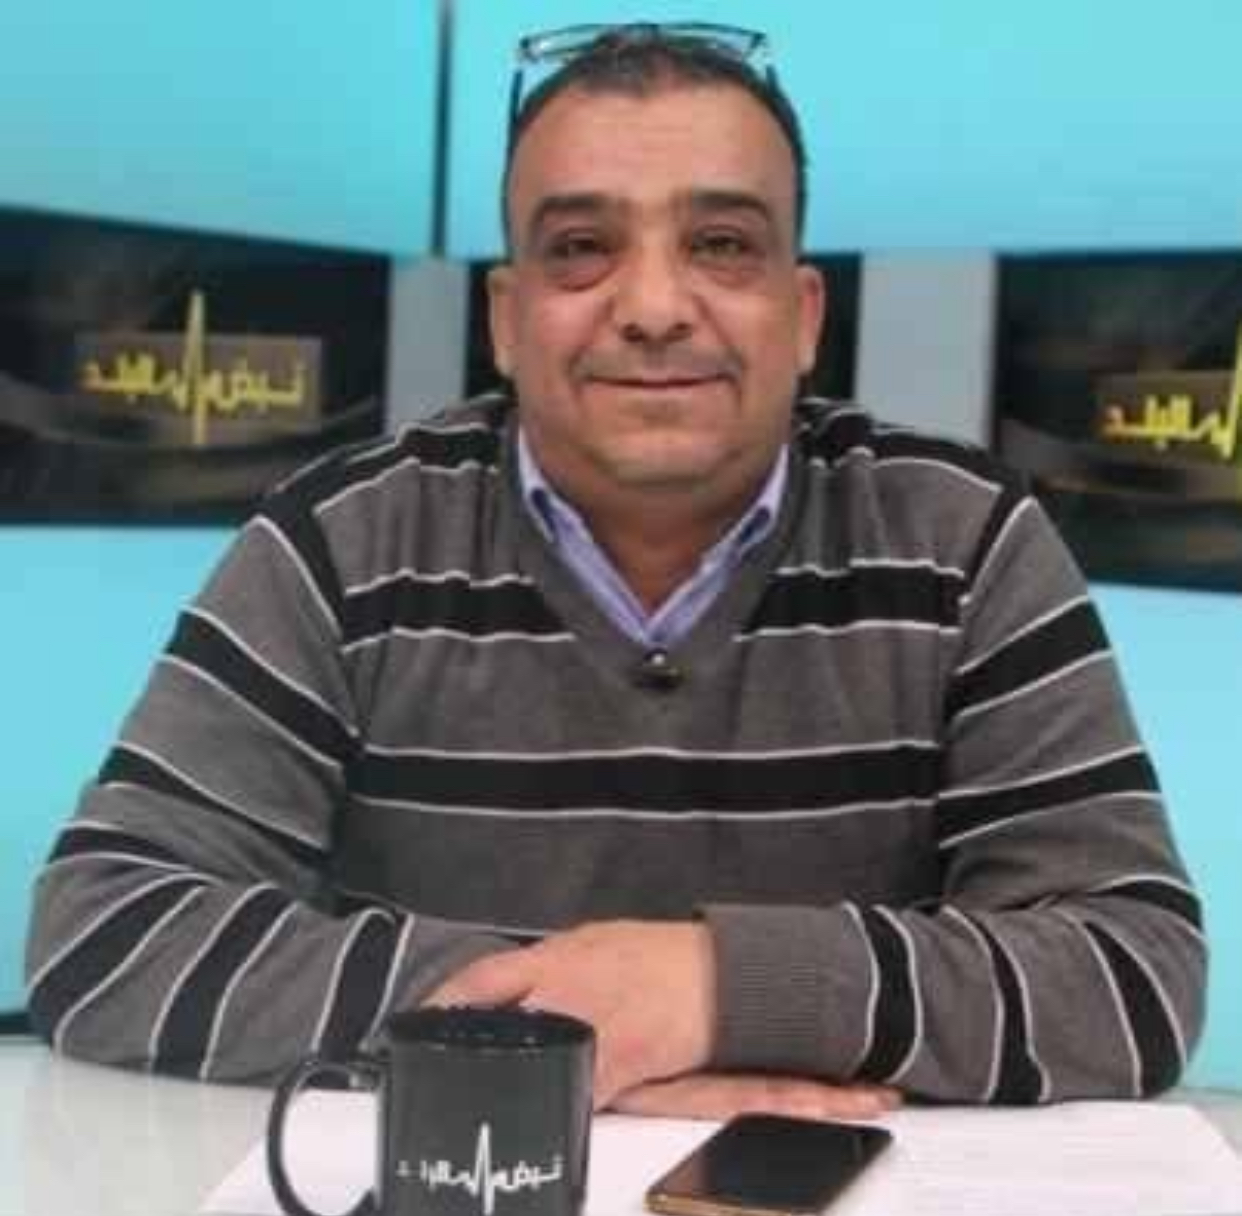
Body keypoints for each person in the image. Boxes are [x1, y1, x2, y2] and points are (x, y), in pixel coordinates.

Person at [25, 24, 1205, 1119]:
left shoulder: (966, 541)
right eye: (583, 249)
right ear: (506, 316)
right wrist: (566, 1029)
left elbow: (1134, 971)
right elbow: (107, 930)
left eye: (721, 245)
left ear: (802, 314)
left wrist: (713, 989)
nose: (651, 307)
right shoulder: (342, 541)